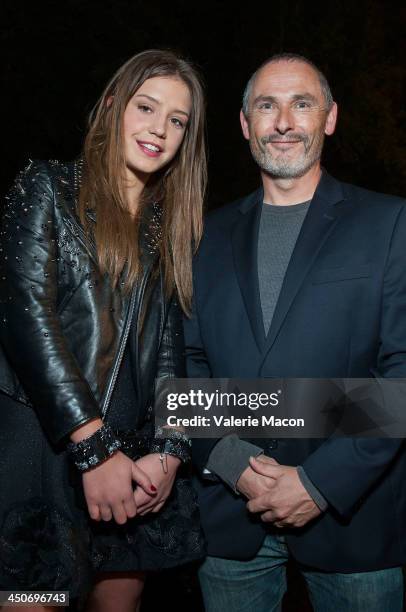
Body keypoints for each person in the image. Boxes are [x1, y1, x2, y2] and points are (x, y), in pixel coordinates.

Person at [184, 53, 406, 611]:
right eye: (267, 105)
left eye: (301, 103)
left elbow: (400, 372)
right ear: (244, 124)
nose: (283, 121)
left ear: (329, 118)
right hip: (230, 517)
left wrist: (318, 483)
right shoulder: (202, 235)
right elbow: (186, 365)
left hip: (356, 518)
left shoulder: (390, 223)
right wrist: (236, 466)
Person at [0, 49, 206, 612]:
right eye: (146, 107)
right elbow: (26, 321)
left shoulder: (170, 229)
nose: (159, 129)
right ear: (113, 104)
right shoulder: (47, 187)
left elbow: (169, 350)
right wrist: (93, 450)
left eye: (177, 120)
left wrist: (168, 450)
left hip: (134, 463)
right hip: (43, 451)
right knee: (28, 600)